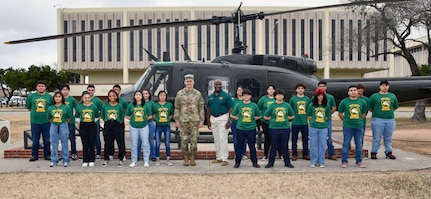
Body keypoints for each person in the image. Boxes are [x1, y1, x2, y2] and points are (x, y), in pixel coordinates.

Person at [174, 74, 205, 166]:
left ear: (193, 82)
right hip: (183, 120)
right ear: (184, 82)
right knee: (184, 140)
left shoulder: (198, 94)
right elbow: (177, 108)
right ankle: (185, 158)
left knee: (194, 140)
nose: (189, 83)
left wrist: (202, 120)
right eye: (187, 81)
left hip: (194, 120)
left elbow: (201, 107)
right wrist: (177, 120)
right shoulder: (179, 94)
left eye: (190, 81)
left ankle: (192, 157)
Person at [263, 89, 295, 168]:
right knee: (274, 145)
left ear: (283, 96)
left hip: (285, 128)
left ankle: (287, 162)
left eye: (281, 94)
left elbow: (292, 115)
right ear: (275, 96)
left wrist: (287, 118)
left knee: (285, 145)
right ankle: (271, 162)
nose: (279, 96)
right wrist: (273, 118)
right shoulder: (272, 105)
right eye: (278, 95)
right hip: (274, 128)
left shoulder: (287, 105)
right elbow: (265, 116)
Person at [231, 88, 261, 168]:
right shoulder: (239, 105)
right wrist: (239, 119)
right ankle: (237, 162)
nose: (246, 97)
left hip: (251, 128)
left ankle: (254, 162)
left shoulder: (254, 105)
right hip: (240, 128)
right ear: (243, 96)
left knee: (252, 146)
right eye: (245, 95)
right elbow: (232, 115)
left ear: (250, 96)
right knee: (239, 145)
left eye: (248, 95)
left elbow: (259, 115)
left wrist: (253, 119)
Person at [338, 85, 367, 168]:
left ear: (357, 91)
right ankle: (344, 161)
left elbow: (364, 112)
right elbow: (340, 113)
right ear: (348, 92)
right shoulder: (344, 102)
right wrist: (345, 120)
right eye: (351, 90)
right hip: (348, 126)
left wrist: (360, 120)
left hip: (359, 126)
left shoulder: (362, 102)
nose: (353, 92)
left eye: (354, 90)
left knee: (359, 144)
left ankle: (359, 161)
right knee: (346, 143)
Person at [369, 80, 399, 160]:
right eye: (383, 85)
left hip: (390, 119)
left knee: (388, 137)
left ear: (388, 87)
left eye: (386, 85)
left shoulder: (392, 96)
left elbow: (395, 107)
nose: (384, 87)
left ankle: (389, 152)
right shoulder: (374, 96)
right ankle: (374, 152)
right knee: (377, 137)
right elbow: (370, 108)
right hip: (378, 119)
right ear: (380, 87)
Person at [207, 79, 234, 166]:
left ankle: (225, 158)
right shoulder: (211, 96)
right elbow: (208, 109)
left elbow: (231, 108)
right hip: (213, 118)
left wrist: (229, 121)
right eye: (216, 84)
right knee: (216, 139)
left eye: (219, 84)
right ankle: (218, 157)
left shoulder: (226, 96)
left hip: (223, 118)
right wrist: (208, 121)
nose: (217, 86)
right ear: (214, 85)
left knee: (223, 139)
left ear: (221, 86)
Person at [27, 80, 53, 162]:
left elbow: (52, 108)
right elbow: (29, 107)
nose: (41, 87)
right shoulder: (31, 96)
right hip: (35, 122)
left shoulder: (49, 97)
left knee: (47, 139)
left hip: (46, 121)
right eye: (39, 86)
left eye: (42, 86)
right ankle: (34, 155)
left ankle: (47, 155)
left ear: (45, 87)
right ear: (36, 87)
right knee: (35, 140)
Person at [125, 91, 152, 168]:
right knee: (134, 144)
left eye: (139, 94)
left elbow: (150, 116)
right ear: (134, 96)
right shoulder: (131, 105)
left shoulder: (146, 105)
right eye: (136, 95)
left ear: (142, 96)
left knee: (145, 143)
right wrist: (133, 119)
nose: (138, 96)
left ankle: (146, 161)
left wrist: (144, 119)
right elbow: (127, 116)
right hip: (133, 126)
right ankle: (134, 161)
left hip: (144, 126)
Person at [101, 89, 125, 167]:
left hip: (117, 125)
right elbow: (102, 115)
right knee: (107, 143)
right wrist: (106, 120)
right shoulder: (105, 105)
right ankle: (106, 159)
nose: (112, 97)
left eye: (113, 95)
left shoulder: (119, 105)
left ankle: (121, 159)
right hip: (108, 124)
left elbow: (122, 115)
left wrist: (119, 122)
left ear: (116, 96)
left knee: (120, 142)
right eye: (110, 96)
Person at [47, 91, 72, 167]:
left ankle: (65, 160)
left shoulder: (66, 107)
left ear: (62, 98)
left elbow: (69, 117)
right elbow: (49, 118)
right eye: (56, 97)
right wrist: (55, 122)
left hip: (63, 125)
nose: (57, 98)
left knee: (64, 143)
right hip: (54, 125)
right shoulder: (50, 108)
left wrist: (64, 123)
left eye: (59, 97)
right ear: (54, 98)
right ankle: (54, 160)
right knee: (54, 143)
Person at [307, 88, 331, 168]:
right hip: (313, 127)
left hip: (323, 128)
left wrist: (322, 121)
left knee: (322, 145)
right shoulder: (311, 105)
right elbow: (309, 116)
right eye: (318, 95)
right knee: (313, 145)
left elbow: (327, 116)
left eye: (322, 95)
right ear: (316, 96)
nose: (320, 97)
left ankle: (321, 162)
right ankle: (313, 161)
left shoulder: (326, 106)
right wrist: (314, 121)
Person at [75, 91, 100, 167]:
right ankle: (85, 160)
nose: (87, 99)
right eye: (85, 98)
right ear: (82, 98)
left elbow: (97, 116)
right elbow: (77, 117)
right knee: (85, 143)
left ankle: (92, 160)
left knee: (91, 143)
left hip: (92, 125)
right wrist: (83, 122)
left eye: (88, 98)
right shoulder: (79, 107)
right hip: (83, 126)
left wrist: (91, 122)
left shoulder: (94, 107)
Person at [257, 85, 282, 160]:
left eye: (272, 89)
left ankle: (281, 155)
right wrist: (263, 117)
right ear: (267, 90)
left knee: (277, 139)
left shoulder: (277, 98)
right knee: (267, 139)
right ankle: (265, 155)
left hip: (276, 123)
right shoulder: (263, 99)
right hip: (266, 122)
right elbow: (258, 110)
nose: (271, 90)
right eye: (269, 89)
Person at [289, 83, 311, 161]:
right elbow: (290, 110)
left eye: (302, 88)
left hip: (304, 122)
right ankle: (294, 155)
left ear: (304, 90)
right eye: (299, 88)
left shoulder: (307, 99)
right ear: (296, 90)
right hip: (295, 122)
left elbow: (310, 110)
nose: (300, 90)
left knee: (305, 140)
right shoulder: (293, 99)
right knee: (294, 140)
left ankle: (305, 154)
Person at [317, 81, 337, 161]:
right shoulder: (314, 97)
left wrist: (327, 115)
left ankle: (331, 154)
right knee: (317, 138)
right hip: (317, 120)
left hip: (327, 120)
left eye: (323, 86)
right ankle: (318, 155)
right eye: (320, 86)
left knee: (328, 137)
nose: (322, 87)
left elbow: (334, 108)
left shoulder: (330, 97)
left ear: (326, 87)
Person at [153, 91, 174, 166]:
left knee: (167, 143)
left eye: (164, 95)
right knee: (158, 143)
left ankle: (168, 159)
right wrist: (157, 119)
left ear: (166, 97)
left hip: (166, 126)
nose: (162, 97)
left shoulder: (169, 105)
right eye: (161, 95)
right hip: (158, 126)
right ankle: (157, 159)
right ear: (158, 97)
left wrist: (168, 119)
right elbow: (153, 114)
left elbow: (172, 114)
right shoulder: (155, 105)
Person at [60, 84, 79, 161]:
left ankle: (74, 153)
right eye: (63, 89)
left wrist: (75, 118)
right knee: (63, 139)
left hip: (70, 122)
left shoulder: (72, 99)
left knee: (72, 138)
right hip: (61, 122)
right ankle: (64, 154)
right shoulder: (59, 99)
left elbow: (77, 109)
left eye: (66, 89)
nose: (65, 91)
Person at [86, 84, 104, 159]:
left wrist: (99, 116)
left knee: (96, 138)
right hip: (86, 123)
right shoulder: (83, 99)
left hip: (95, 123)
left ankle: (98, 153)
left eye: (92, 90)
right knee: (88, 139)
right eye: (89, 90)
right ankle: (90, 153)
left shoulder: (97, 100)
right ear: (87, 90)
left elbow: (103, 109)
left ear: (94, 91)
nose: (90, 92)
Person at [112, 84, 129, 161]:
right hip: (111, 124)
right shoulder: (108, 100)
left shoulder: (123, 101)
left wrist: (121, 119)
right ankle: (110, 154)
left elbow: (126, 110)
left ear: (119, 91)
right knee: (110, 140)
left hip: (120, 123)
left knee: (121, 140)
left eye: (117, 90)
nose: (116, 91)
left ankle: (122, 154)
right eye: (114, 89)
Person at [231, 85, 248, 160]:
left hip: (244, 123)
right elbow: (231, 111)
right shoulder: (233, 100)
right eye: (238, 90)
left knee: (244, 139)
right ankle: (237, 153)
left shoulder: (246, 101)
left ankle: (243, 154)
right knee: (236, 139)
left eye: (241, 90)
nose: (239, 92)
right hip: (235, 122)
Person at [142, 89, 156, 162]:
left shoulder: (152, 103)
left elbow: (155, 112)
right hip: (141, 124)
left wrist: (152, 117)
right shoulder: (139, 103)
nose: (144, 95)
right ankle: (138, 155)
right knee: (140, 140)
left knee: (150, 139)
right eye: (143, 94)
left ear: (149, 95)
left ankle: (153, 155)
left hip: (149, 123)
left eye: (146, 93)